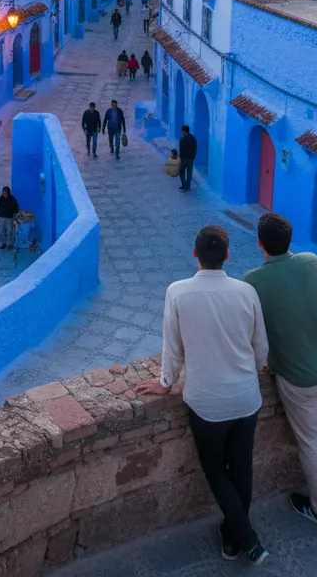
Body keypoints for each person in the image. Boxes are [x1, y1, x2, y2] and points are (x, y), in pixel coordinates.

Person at [136, 226, 270, 566]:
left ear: (195, 255)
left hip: (206, 402)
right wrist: (250, 370)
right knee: (241, 468)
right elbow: (261, 349)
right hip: (246, 398)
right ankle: (233, 538)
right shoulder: (246, 292)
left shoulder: (178, 292)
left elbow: (172, 346)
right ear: (227, 256)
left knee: (215, 469)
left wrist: (165, 383)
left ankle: (247, 540)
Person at [245, 213, 317, 534]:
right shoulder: (313, 261)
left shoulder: (253, 281)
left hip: (296, 376)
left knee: (311, 443)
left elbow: (255, 334)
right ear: (290, 239)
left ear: (260, 245)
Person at [179, 124, 197, 192]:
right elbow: (195, 149)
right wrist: (193, 157)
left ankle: (184, 185)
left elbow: (181, 149)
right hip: (191, 159)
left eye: (182, 131)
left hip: (184, 159)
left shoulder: (182, 139)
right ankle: (188, 187)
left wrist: (180, 157)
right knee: (189, 173)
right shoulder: (193, 138)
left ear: (184, 131)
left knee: (181, 172)